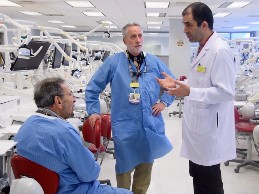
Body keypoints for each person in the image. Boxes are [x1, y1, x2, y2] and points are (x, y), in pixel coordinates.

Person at [85, 23, 175, 194]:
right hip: (125, 127)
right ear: (125, 40)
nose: (138, 40)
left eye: (140, 36)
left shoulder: (154, 62)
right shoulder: (114, 62)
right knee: (124, 172)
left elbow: (173, 82)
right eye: (133, 36)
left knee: (145, 171)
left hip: (149, 125)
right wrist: (94, 111)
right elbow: (92, 88)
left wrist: (164, 102)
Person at [156, 2, 236, 194]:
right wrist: (177, 83)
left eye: (188, 25)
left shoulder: (219, 50)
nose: (184, 30)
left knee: (209, 184)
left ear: (204, 25)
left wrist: (190, 91)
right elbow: (199, 81)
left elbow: (225, 92)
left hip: (210, 134)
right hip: (199, 131)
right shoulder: (201, 48)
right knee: (199, 178)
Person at [14, 77, 132, 194]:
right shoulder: (64, 132)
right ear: (58, 101)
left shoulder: (26, 126)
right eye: (70, 94)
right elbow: (90, 173)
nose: (74, 99)